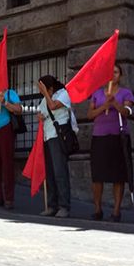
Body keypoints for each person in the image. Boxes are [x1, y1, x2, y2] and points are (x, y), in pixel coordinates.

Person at [87, 64, 134, 222]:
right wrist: (104, 107)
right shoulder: (97, 93)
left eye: (115, 72)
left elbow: (127, 113)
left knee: (118, 176)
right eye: (109, 72)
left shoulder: (126, 93)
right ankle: (97, 209)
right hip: (99, 136)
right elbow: (89, 115)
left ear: (120, 75)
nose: (112, 75)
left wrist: (114, 103)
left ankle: (116, 211)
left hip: (118, 137)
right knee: (97, 175)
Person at [38, 75, 76, 218]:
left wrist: (46, 94)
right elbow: (42, 112)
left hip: (58, 137)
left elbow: (53, 106)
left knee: (60, 172)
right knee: (50, 173)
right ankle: (52, 205)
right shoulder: (44, 99)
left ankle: (64, 206)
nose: (40, 90)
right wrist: (40, 116)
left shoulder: (63, 94)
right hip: (47, 137)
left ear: (50, 88)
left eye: (42, 87)